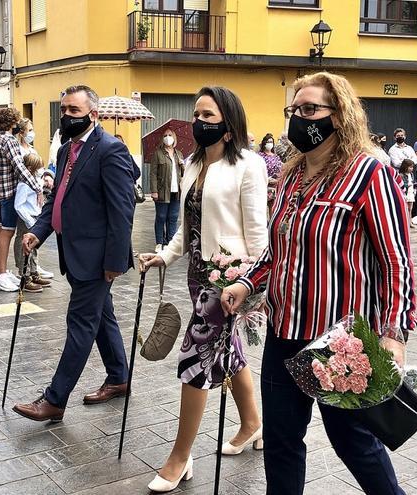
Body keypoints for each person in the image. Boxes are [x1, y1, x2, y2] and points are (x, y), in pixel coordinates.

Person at [222, 72, 416, 495]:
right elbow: (278, 252)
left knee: (354, 443)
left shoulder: (369, 174)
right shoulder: (291, 178)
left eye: (310, 110)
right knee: (282, 442)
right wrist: (247, 283)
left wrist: (393, 334)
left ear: (339, 115)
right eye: (294, 109)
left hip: (338, 340)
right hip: (285, 332)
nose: (299, 118)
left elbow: (396, 262)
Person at [139, 86, 266, 493]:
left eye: (208, 116)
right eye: (196, 114)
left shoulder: (249, 165)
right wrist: (165, 255)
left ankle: (180, 456)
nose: (198, 122)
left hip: (228, 278)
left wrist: (250, 284)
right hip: (197, 273)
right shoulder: (192, 164)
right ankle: (252, 424)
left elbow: (258, 233)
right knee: (230, 353)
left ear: (228, 126)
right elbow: (185, 226)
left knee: (195, 359)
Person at [13, 84, 139, 423]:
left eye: (74, 111)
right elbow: (58, 198)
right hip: (75, 252)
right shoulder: (66, 149)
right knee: (102, 317)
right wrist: (38, 232)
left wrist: (114, 262)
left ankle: (54, 399)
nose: (66, 116)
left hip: (97, 258)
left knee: (81, 323)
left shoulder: (111, 150)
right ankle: (119, 376)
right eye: (64, 109)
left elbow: (122, 211)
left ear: (93, 115)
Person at [0, 107, 44, 292]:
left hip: (1, 192)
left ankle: (3, 272)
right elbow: (19, 167)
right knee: (7, 232)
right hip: (10, 192)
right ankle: (1, 275)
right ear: (11, 122)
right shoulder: (9, 140)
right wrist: (37, 187)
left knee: (1, 231)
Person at [13, 153, 50, 293]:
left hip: (35, 217)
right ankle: (25, 275)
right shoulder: (24, 184)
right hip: (27, 219)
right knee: (25, 248)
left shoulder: (35, 181)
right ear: (30, 168)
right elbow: (19, 205)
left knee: (34, 247)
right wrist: (29, 221)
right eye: (38, 167)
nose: (41, 170)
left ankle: (34, 272)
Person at [149, 128, 185, 252]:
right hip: (162, 190)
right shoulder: (157, 153)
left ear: (174, 137)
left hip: (176, 191)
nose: (168, 137)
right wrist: (154, 190)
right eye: (165, 135)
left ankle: (170, 242)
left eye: (170, 134)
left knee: (173, 217)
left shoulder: (179, 154)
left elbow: (184, 174)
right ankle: (159, 242)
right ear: (162, 138)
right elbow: (153, 173)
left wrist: (182, 164)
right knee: (161, 216)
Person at [399, 159, 417, 225]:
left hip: (411, 192)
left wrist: (415, 184)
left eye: (412, 167)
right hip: (405, 193)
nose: (411, 169)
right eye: (410, 167)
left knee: (410, 208)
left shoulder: (411, 174)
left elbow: (412, 182)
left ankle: (409, 222)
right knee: (404, 208)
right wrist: (408, 185)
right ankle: (404, 222)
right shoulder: (401, 175)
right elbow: (401, 184)